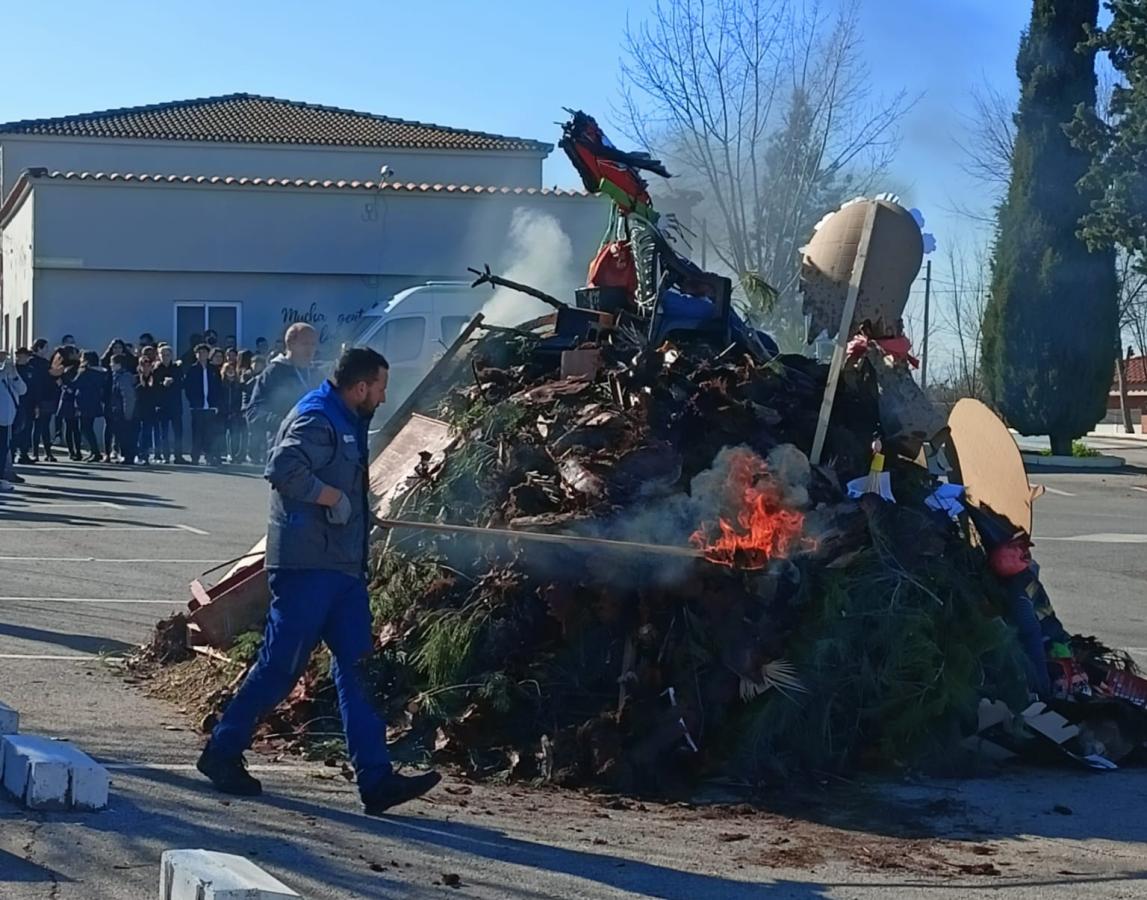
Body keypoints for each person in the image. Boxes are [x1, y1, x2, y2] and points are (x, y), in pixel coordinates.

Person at [196, 347, 440, 812]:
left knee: (359, 671)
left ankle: (376, 779)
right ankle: (221, 751)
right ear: (361, 386)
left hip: (342, 570)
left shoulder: (346, 418)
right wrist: (330, 496)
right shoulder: (317, 416)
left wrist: (357, 509)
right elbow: (282, 468)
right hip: (306, 569)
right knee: (280, 669)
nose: (385, 398)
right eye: (381, 389)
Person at [246, 324, 320, 448]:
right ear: (290, 344)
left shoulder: (315, 373)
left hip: (314, 447)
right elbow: (253, 413)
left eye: (313, 345)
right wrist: (287, 423)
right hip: (284, 447)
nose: (310, 350)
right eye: (305, 344)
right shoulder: (274, 372)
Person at [184, 343, 222, 465]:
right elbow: (188, 388)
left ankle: (209, 456)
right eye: (199, 353)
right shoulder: (192, 369)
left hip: (210, 406)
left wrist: (216, 403)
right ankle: (195, 457)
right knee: (197, 432)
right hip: (197, 406)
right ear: (196, 355)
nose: (202, 355)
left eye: (204, 353)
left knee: (210, 433)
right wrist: (192, 402)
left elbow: (218, 387)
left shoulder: (214, 369)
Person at [72, 351, 107, 462]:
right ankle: (94, 451)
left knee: (85, 428)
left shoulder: (85, 372)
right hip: (94, 402)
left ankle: (95, 451)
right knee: (88, 427)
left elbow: (75, 384)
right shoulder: (101, 373)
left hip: (84, 402)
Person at [0, 350, 27, 492]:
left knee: (4, 448)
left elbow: (22, 390)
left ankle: (2, 477)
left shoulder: (9, 375)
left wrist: (14, 375)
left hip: (7, 418)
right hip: (3, 416)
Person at [155, 344, 186, 464]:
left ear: (171, 355)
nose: (165, 357)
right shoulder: (157, 369)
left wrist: (173, 381)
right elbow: (154, 386)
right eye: (162, 354)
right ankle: (165, 455)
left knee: (178, 431)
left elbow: (182, 384)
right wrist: (162, 384)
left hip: (175, 405)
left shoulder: (177, 368)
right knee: (164, 432)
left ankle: (178, 456)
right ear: (159, 356)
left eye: (167, 355)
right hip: (162, 406)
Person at [109, 354, 138, 465]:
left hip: (123, 412)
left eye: (113, 363)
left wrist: (127, 413)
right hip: (118, 410)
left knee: (125, 435)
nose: (111, 365)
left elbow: (128, 396)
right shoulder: (117, 376)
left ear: (118, 364)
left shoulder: (123, 377)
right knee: (121, 435)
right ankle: (125, 455)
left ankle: (128, 456)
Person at [134, 355, 162, 463]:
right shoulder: (136, 378)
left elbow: (158, 393)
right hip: (139, 409)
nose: (146, 368)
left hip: (151, 410)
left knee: (148, 432)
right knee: (139, 432)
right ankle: (139, 454)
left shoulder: (155, 379)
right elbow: (135, 393)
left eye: (148, 365)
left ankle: (147, 454)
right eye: (143, 365)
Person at [241, 355, 267, 464]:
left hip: (263, 409)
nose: (256, 366)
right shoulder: (247, 376)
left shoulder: (266, 376)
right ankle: (252, 455)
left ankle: (263, 455)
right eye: (254, 363)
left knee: (263, 434)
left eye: (259, 364)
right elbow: (244, 389)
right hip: (250, 409)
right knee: (252, 434)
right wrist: (245, 408)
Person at [219, 362, 246, 463]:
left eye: (232, 369)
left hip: (235, 413)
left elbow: (240, 399)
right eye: (228, 369)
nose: (230, 371)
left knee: (234, 434)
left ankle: (232, 454)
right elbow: (219, 398)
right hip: (223, 413)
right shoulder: (221, 384)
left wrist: (236, 411)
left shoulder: (238, 385)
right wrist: (223, 409)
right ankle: (221, 453)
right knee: (221, 434)